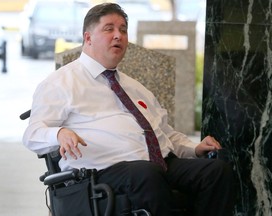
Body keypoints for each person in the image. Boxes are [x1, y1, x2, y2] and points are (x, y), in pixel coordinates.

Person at [23, 3, 234, 216]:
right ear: (88, 38)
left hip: (158, 165)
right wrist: (58, 133)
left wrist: (194, 148)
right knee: (145, 172)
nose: (118, 35)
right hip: (104, 173)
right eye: (109, 29)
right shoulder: (62, 83)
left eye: (123, 30)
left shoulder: (135, 87)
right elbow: (32, 134)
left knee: (216, 171)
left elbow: (165, 134)